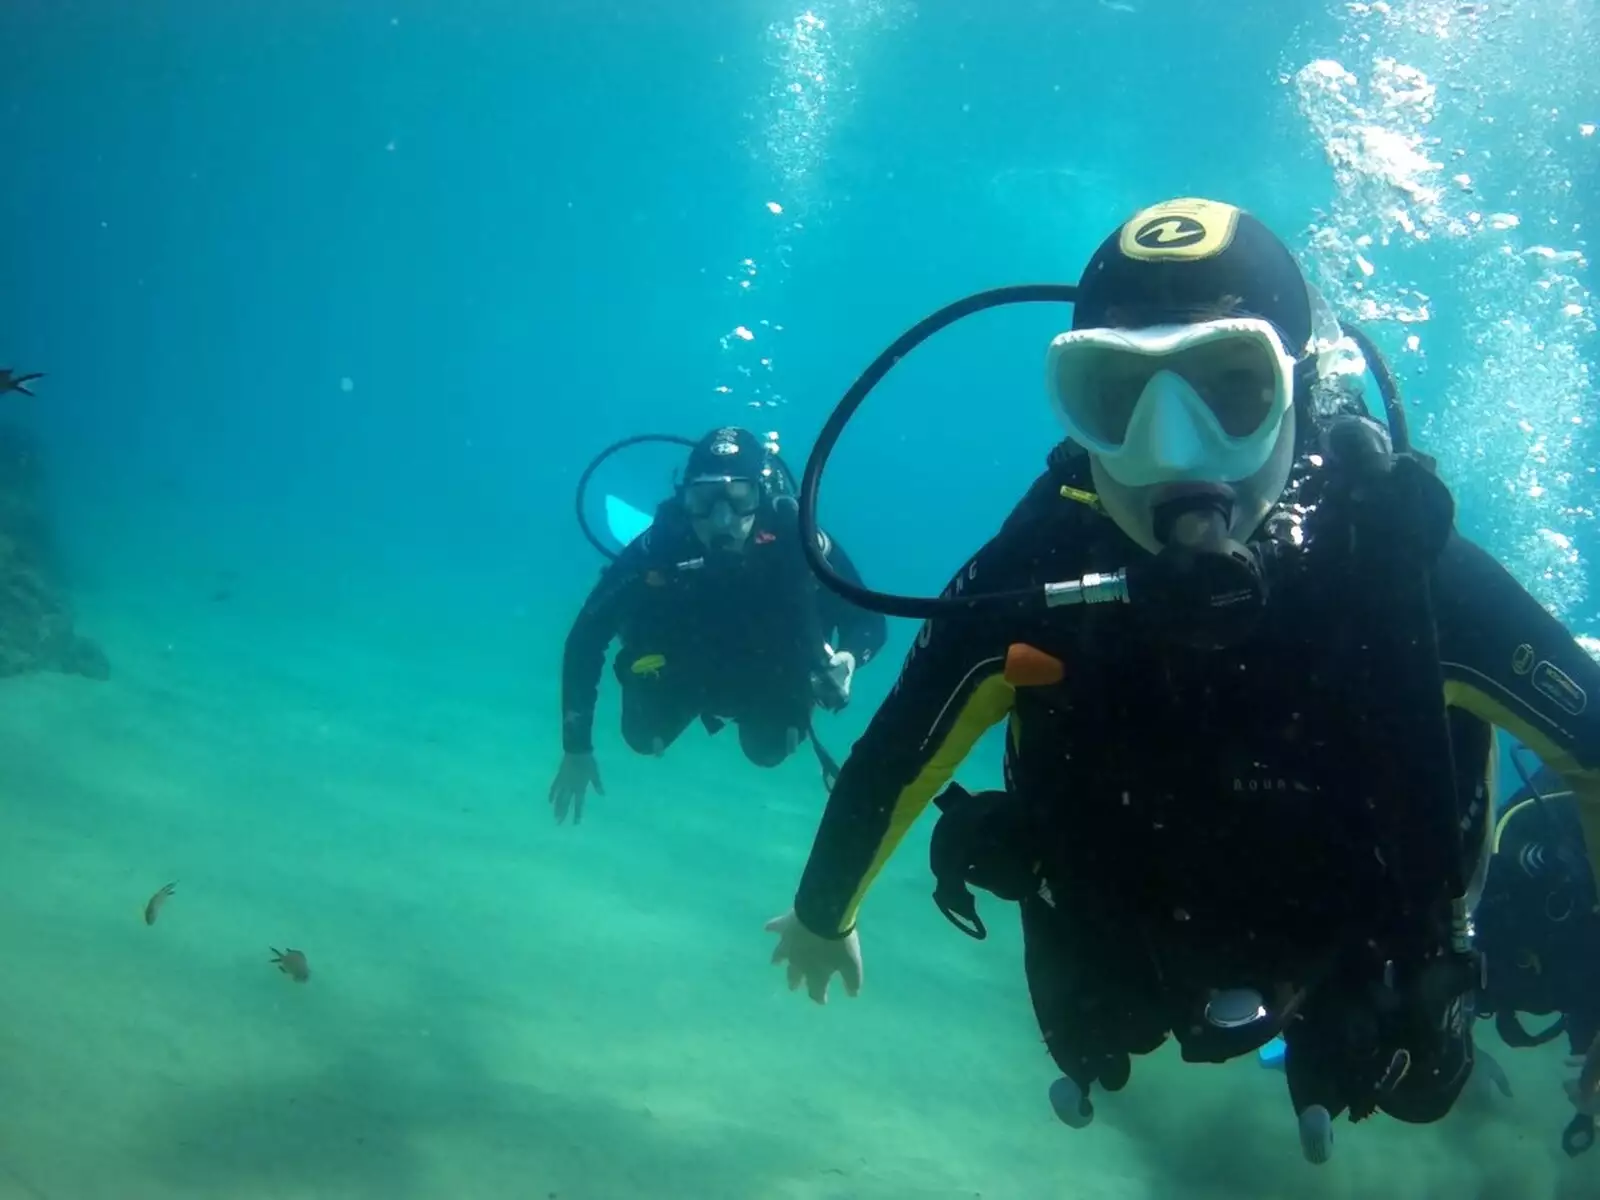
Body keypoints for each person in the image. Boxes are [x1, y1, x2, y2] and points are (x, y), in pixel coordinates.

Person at [763, 197, 1600, 1164]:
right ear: (1076, 415)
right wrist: (825, 913)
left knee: (1413, 1073)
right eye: (1118, 398)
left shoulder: (1398, 566)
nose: (1171, 451)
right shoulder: (1039, 568)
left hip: (1357, 914)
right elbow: (901, 745)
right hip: (1132, 895)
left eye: (1230, 390)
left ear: (1302, 391)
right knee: (1090, 1017)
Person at [550, 426, 886, 823]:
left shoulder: (800, 542)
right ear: (683, 497)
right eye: (704, 499)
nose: (721, 518)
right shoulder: (660, 545)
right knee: (642, 736)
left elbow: (868, 620)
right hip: (681, 669)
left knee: (767, 751)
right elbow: (586, 635)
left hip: (769, 676)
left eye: (738, 497)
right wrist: (576, 747)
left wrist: (848, 658)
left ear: (759, 497)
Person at [1475, 759, 1600, 1156]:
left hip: (1566, 981)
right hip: (1502, 957)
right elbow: (1497, 847)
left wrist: (1590, 1093)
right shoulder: (1559, 801)